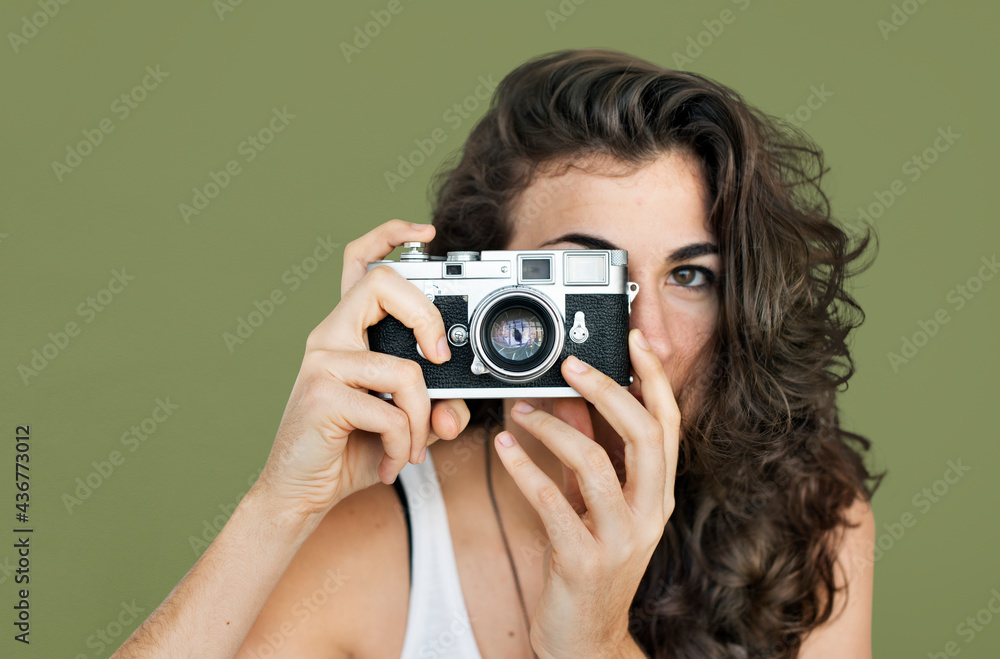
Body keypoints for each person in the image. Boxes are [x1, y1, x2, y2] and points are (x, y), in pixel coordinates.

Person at [113, 48, 882, 658]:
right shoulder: (374, 539)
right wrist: (279, 504)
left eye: (690, 275)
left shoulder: (814, 521)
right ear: (480, 290)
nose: (644, 331)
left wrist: (594, 644)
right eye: (588, 278)